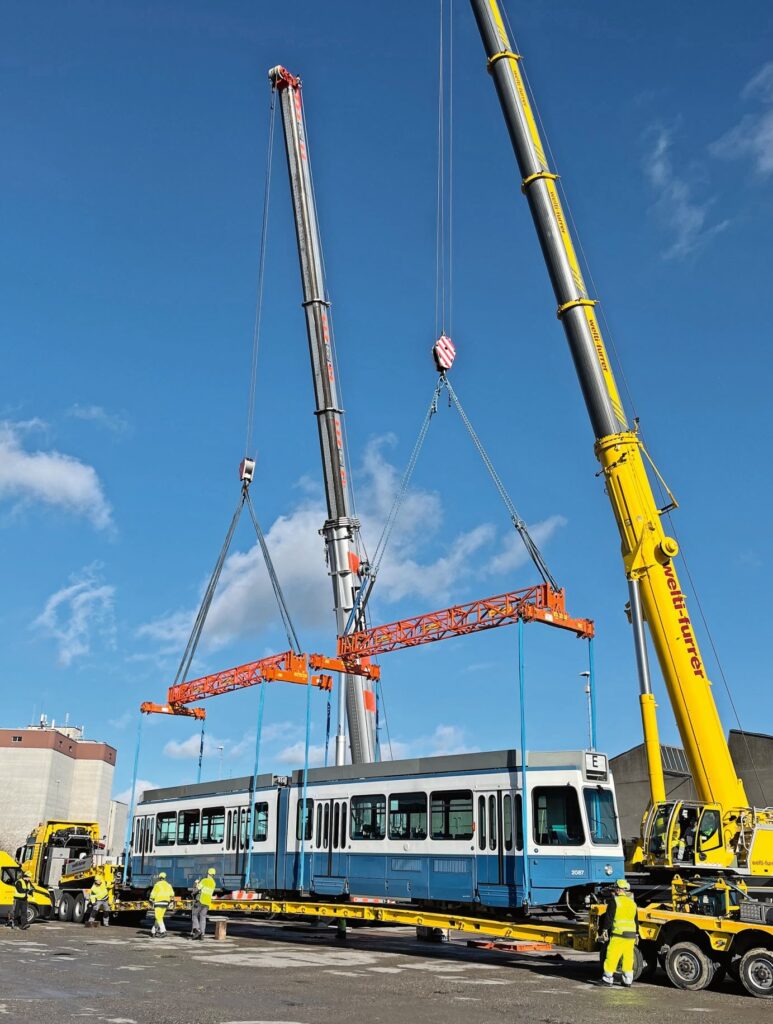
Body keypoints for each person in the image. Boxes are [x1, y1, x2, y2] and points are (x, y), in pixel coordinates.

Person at [600, 879, 639, 987]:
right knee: (628, 957)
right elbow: (636, 920)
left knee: (612, 955)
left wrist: (604, 930)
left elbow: (609, 918)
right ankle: (627, 980)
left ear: (618, 889)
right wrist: (636, 934)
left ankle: (607, 978)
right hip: (631, 934)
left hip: (619, 933)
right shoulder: (632, 903)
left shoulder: (614, 901)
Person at [190, 868, 216, 940]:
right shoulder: (213, 883)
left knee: (194, 915)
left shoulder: (204, 880)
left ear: (208, 873)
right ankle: (202, 934)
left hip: (200, 901)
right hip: (207, 902)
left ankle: (197, 930)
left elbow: (197, 889)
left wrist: (196, 883)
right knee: (203, 917)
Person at [148, 872, 175, 938]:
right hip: (166, 902)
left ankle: (163, 931)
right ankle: (153, 931)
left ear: (159, 878)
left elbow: (153, 893)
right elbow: (172, 894)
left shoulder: (157, 884)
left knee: (158, 917)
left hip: (158, 902)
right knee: (159, 917)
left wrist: (151, 899)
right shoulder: (169, 885)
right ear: (165, 878)